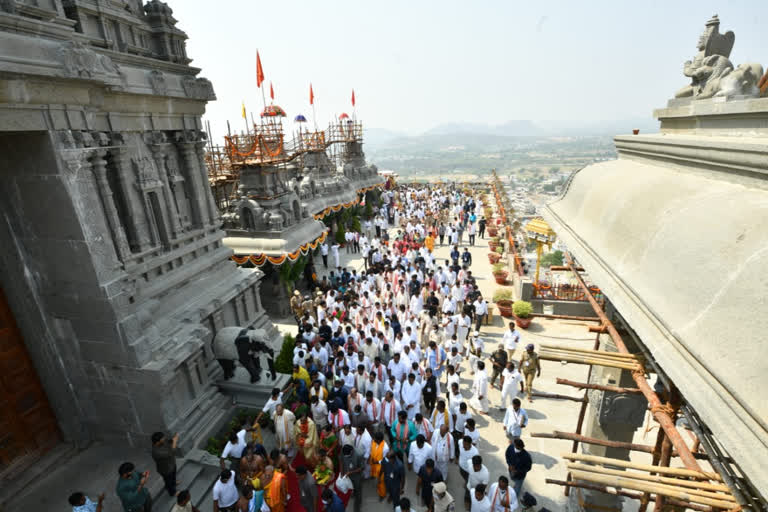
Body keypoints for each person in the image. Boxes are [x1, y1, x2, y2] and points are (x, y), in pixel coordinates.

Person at [151, 431, 179, 498]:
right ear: (157, 441)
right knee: (168, 481)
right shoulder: (156, 452)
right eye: (162, 438)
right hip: (165, 469)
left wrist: (173, 438)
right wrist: (175, 441)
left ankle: (174, 483)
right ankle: (172, 492)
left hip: (172, 463)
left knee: (173, 476)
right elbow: (171, 452)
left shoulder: (162, 442)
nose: (164, 439)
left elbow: (169, 441)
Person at [340, 444, 365, 512]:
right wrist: (341, 473)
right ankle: (353, 492)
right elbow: (341, 461)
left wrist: (351, 472)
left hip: (356, 477)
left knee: (358, 491)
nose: (346, 457)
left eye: (347, 456)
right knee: (351, 488)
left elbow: (362, 468)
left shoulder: (359, 454)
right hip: (347, 475)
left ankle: (357, 506)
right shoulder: (343, 450)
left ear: (351, 452)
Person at [370, 431, 390, 501]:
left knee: (381, 481)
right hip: (374, 464)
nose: (373, 440)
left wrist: (377, 461)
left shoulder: (385, 448)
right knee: (377, 478)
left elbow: (386, 460)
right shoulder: (374, 442)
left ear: (379, 440)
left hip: (381, 467)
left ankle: (382, 494)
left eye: (375, 439)